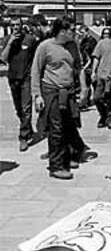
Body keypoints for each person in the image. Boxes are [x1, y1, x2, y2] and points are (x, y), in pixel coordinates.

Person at [31, 18, 88, 180]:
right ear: (62, 31)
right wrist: (37, 95)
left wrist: (84, 88)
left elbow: (79, 68)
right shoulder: (45, 46)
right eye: (72, 29)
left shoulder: (73, 46)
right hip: (51, 91)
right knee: (56, 129)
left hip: (69, 92)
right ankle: (56, 166)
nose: (75, 32)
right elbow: (35, 71)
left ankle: (69, 156)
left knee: (69, 125)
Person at [0, 17, 38, 151]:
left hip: (26, 77)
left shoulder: (30, 40)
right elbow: (3, 59)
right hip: (13, 77)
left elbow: (36, 58)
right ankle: (27, 127)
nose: (16, 27)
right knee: (19, 109)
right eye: (13, 25)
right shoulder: (6, 40)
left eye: (18, 25)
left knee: (26, 107)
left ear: (22, 26)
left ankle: (23, 137)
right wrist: (10, 43)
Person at [78, 25, 97, 110]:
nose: (81, 34)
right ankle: (87, 101)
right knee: (87, 84)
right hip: (86, 65)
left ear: (87, 32)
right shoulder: (83, 41)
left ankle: (95, 100)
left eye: (82, 32)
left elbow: (93, 55)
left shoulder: (92, 41)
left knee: (92, 84)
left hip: (90, 65)